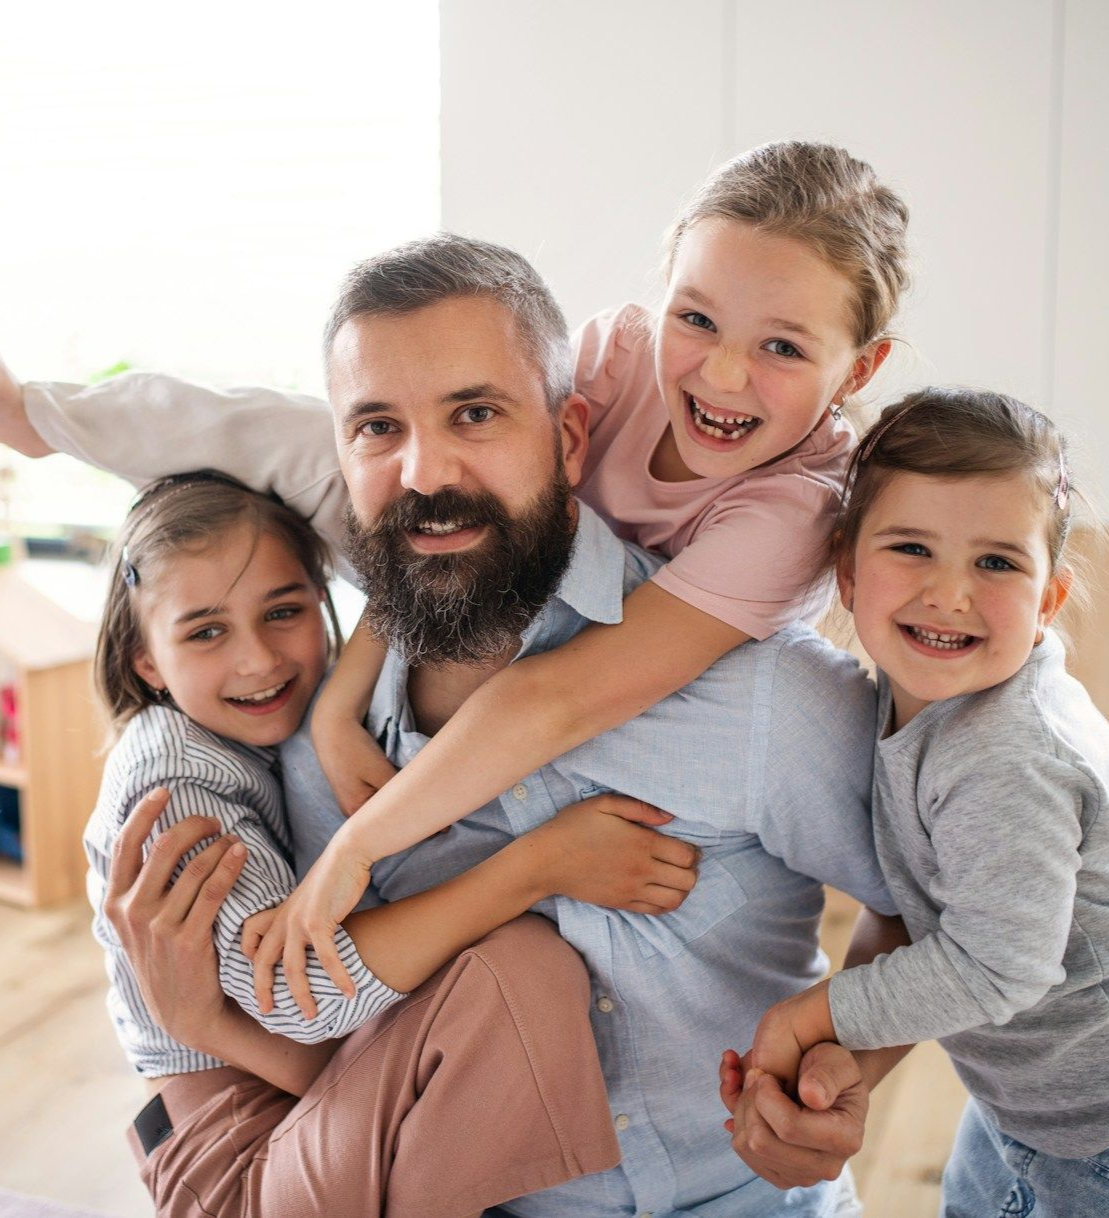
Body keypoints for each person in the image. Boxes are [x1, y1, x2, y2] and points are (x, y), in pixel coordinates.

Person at [5, 234, 907, 1215]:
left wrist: (848, 1061)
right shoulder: (309, 735)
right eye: (377, 428)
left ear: (569, 438)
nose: (424, 471)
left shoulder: (762, 694)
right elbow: (334, 1031)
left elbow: (928, 904)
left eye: (475, 414)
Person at [14, 141, 911, 993]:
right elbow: (430, 537)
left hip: (610, 643)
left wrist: (357, 846)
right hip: (515, 562)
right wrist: (336, 702)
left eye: (783, 347)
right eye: (697, 318)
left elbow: (558, 697)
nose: (720, 372)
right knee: (275, 435)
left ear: (858, 368)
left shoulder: (797, 512)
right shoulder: (625, 355)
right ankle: (36, 418)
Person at [85, 469, 699, 1216]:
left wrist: (336, 709)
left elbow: (405, 585)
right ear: (146, 661)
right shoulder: (174, 787)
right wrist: (539, 865)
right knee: (517, 971)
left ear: (323, 603)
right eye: (205, 631)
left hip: (300, 1103)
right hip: (236, 1158)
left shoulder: (263, 724)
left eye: (284, 612)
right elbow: (296, 997)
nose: (258, 660)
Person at [732, 388, 1109, 1216]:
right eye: (912, 547)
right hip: (1025, 1109)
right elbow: (919, 908)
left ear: (1046, 604)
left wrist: (817, 1015)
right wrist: (851, 1047)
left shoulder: (1007, 754)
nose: (950, 593)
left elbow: (998, 964)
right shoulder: (912, 706)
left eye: (996, 562)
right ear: (847, 572)